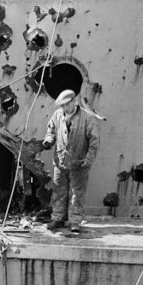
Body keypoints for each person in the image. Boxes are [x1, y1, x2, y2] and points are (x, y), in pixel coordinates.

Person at [41, 89, 100, 233]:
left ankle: (74, 221)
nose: (64, 108)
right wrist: (48, 141)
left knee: (76, 193)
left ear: (74, 101)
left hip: (79, 163)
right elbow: (51, 130)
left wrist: (88, 160)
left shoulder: (87, 119)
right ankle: (57, 218)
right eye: (62, 105)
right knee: (59, 191)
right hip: (60, 161)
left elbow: (94, 142)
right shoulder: (58, 115)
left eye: (67, 104)